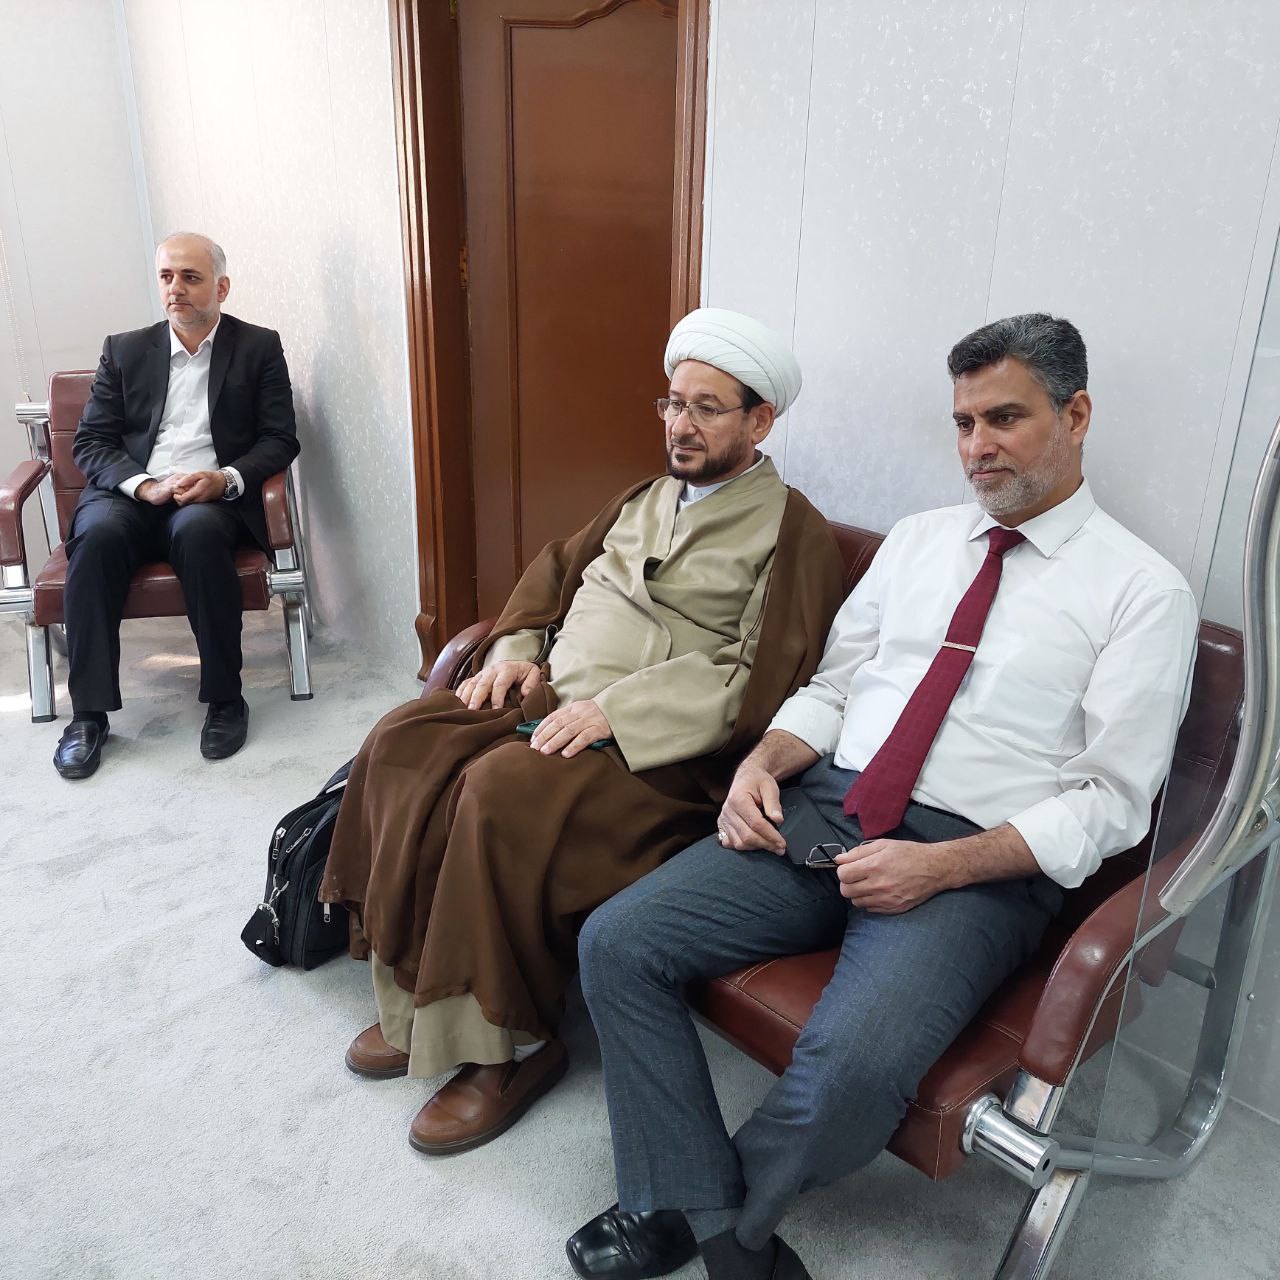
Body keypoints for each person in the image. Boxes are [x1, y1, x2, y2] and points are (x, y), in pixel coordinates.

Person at [568, 314, 1200, 1280]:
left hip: (972, 865)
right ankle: (713, 1220)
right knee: (618, 941)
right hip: (829, 804)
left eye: (1005, 418)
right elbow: (832, 690)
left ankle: (708, 1225)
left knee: (853, 1072)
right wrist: (762, 764)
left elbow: (1111, 801)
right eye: (963, 423)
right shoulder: (918, 542)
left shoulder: (1143, 593)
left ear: (1075, 416)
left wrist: (941, 866)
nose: (977, 447)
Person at [320, 308, 846, 1156]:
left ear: (760, 422)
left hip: (659, 761)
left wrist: (617, 713)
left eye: (707, 408)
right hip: (549, 701)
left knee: (497, 791)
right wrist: (517, 657)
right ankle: (418, 1000)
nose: (680, 425)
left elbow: (758, 676)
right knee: (399, 740)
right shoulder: (640, 499)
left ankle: (510, 1046)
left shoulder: (794, 533)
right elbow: (553, 580)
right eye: (672, 403)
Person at [53, 232, 299, 779]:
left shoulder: (258, 347)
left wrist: (225, 479)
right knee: (96, 539)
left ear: (221, 287)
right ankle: (88, 716)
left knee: (199, 533)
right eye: (167, 277)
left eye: (190, 277)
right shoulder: (125, 350)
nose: (175, 289)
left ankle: (225, 699)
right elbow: (91, 442)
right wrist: (143, 485)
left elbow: (280, 438)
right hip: (133, 493)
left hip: (207, 497)